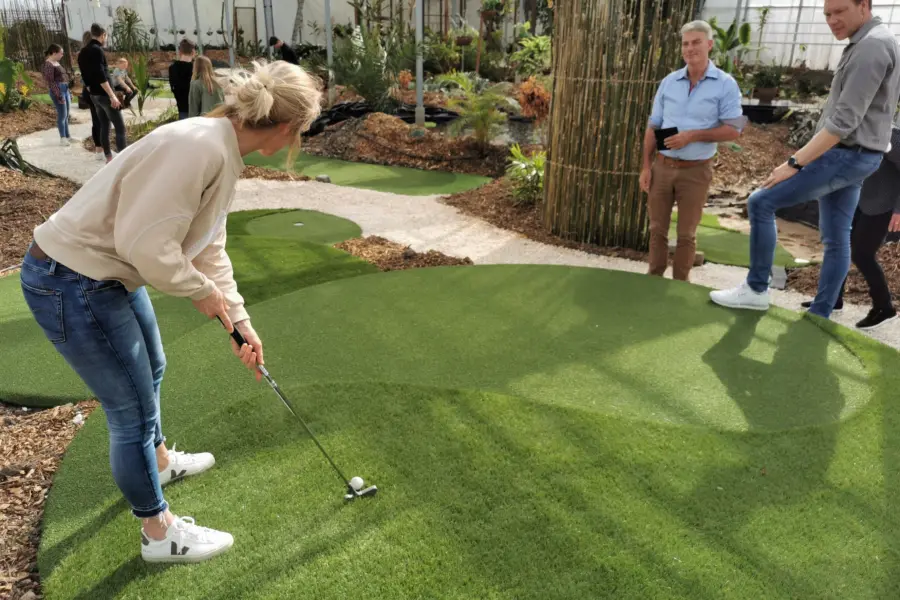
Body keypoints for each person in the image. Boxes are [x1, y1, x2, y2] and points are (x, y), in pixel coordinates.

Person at [19, 59, 323, 564]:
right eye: (302, 132)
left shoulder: (221, 148)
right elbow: (147, 245)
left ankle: (157, 461)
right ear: (287, 127)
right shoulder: (198, 148)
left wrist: (239, 321)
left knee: (151, 369)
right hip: (71, 279)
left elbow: (208, 246)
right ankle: (159, 536)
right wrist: (199, 291)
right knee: (130, 410)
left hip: (100, 274)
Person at [710, 0, 900, 318]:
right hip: (859, 157)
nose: (832, 20)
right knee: (837, 235)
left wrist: (794, 163)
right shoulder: (874, 41)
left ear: (864, 6)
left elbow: (842, 124)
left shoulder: (871, 47)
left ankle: (756, 289)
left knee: (761, 202)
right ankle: (822, 309)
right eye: (827, 14)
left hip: (845, 154)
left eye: (840, 11)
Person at [640, 20, 745, 282]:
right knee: (656, 229)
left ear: (709, 45)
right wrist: (645, 165)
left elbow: (735, 130)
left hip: (696, 170)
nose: (690, 48)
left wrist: (693, 136)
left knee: (687, 234)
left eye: (696, 42)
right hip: (662, 167)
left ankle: (680, 284)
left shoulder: (725, 84)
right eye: (686, 43)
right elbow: (653, 126)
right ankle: (653, 278)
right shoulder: (669, 82)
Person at [800, 123, 900, 329]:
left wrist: (899, 209)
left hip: (884, 204)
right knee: (841, 244)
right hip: (858, 197)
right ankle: (833, 298)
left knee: (862, 254)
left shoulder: (892, 134)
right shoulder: (856, 125)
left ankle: (884, 307)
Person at [77, 23, 127, 163]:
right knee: (120, 127)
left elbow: (85, 76)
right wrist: (112, 96)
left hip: (94, 95)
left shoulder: (83, 52)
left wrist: (91, 90)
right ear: (103, 35)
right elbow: (101, 76)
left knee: (104, 125)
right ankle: (124, 160)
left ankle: (108, 157)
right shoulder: (97, 50)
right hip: (104, 95)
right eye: (106, 36)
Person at [78, 31, 105, 162]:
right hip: (97, 91)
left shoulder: (82, 54)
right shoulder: (93, 53)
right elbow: (98, 74)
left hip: (88, 91)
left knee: (96, 120)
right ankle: (103, 149)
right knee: (102, 120)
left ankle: (99, 149)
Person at [41, 43, 75, 146]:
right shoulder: (48, 64)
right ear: (54, 53)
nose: (62, 55)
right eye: (61, 53)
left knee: (66, 115)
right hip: (58, 91)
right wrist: (59, 95)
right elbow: (51, 82)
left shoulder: (57, 63)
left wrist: (69, 92)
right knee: (62, 115)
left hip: (65, 90)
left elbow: (64, 78)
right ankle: (63, 138)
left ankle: (68, 136)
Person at [169, 38, 197, 120]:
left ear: (180, 52)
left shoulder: (172, 68)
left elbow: (173, 88)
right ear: (193, 52)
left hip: (182, 107)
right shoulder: (195, 68)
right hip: (196, 109)